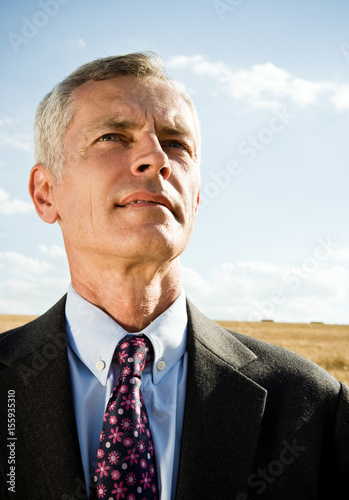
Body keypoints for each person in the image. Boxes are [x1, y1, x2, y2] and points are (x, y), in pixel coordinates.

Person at [0, 52, 348, 500]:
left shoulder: (313, 406)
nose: (155, 158)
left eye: (177, 143)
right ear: (46, 194)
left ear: (196, 199)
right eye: (113, 136)